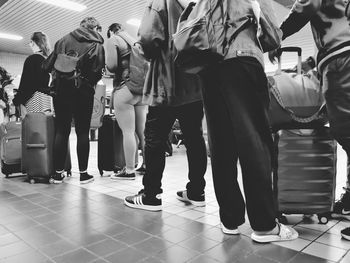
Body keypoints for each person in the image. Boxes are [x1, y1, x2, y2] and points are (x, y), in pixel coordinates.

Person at [193, 0, 299, 242]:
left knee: (221, 145)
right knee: (255, 141)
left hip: (209, 68)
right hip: (242, 60)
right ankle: (264, 225)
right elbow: (272, 33)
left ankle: (229, 219)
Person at [268, 0, 350, 241]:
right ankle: (348, 202)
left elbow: (306, 6)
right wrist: (312, 64)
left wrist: (276, 36)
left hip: (341, 60)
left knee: (346, 133)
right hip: (339, 56)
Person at [124, 0, 208, 211]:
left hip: (166, 83)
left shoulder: (162, 2)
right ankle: (197, 191)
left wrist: (143, 51)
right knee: (195, 139)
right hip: (194, 84)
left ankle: (151, 194)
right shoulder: (201, 3)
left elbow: (147, 38)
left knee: (154, 138)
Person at [42, 17, 105, 184]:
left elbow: (47, 66)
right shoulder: (96, 44)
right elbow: (97, 71)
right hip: (83, 92)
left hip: (61, 91)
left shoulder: (62, 40)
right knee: (83, 131)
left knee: (61, 131)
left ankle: (57, 174)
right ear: (95, 28)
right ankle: (83, 174)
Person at [105, 23, 148, 180]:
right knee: (142, 131)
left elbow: (112, 66)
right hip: (140, 90)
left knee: (128, 131)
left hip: (125, 88)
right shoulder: (133, 40)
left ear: (110, 31)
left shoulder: (113, 39)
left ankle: (129, 170)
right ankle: (147, 165)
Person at [13, 32, 52, 114]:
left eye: (30, 42)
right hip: (47, 100)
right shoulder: (48, 59)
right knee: (45, 125)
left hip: (33, 99)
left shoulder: (32, 59)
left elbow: (26, 82)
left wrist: (18, 100)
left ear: (34, 42)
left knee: (33, 125)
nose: (30, 45)